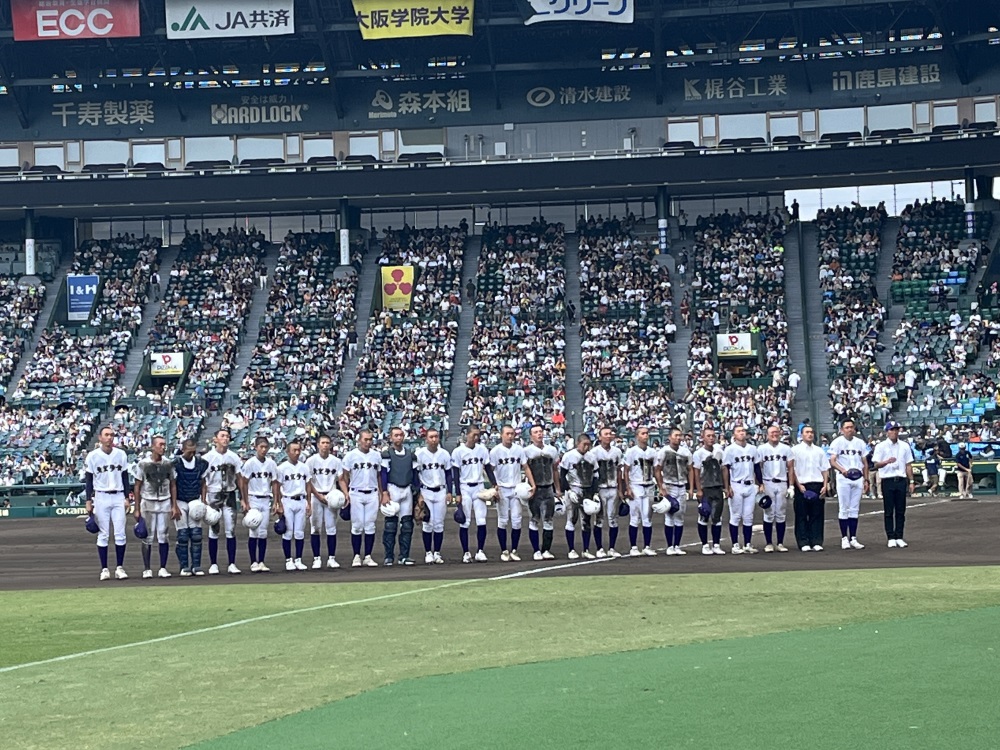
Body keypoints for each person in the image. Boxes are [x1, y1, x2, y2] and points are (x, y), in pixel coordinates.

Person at [85, 426, 131, 581]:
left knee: (120, 533)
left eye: (112, 435)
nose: (110, 438)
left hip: (118, 496)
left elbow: (125, 477)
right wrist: (88, 500)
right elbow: (89, 480)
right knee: (103, 534)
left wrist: (127, 497)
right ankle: (104, 569)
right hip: (101, 496)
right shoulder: (93, 456)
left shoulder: (121, 454)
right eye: (106, 435)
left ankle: (119, 567)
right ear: (100, 437)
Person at [132, 435, 179, 579]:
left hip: (164, 501)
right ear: (153, 446)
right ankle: (147, 568)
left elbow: (173, 484)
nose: (163, 447)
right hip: (148, 501)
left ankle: (162, 567)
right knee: (148, 536)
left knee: (163, 535)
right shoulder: (143, 464)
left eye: (164, 444)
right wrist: (137, 507)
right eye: (160, 445)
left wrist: (174, 505)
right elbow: (137, 486)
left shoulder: (168, 463)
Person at [201, 429, 244, 575]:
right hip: (213, 496)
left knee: (230, 530)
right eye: (222, 436)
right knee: (214, 530)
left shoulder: (234, 457)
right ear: (215, 439)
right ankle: (213, 564)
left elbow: (240, 479)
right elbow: (203, 481)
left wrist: (244, 499)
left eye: (227, 436)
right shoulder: (207, 458)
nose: (225, 438)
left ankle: (232, 563)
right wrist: (203, 500)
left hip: (230, 495)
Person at [340, 429, 382, 567]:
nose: (368, 442)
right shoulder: (350, 456)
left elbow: (379, 475)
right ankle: (356, 556)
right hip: (356, 493)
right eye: (365, 439)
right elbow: (344, 476)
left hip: (372, 493)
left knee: (370, 526)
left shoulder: (376, 455)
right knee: (357, 526)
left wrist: (382, 493)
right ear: (359, 440)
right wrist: (346, 493)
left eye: (370, 439)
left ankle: (368, 556)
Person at [451, 427, 494, 563]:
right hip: (465, 488)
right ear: (467, 435)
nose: (476, 437)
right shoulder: (458, 451)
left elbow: (487, 468)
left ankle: (480, 551)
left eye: (478, 435)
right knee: (465, 521)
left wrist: (494, 484)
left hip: (479, 487)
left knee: (481, 520)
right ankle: (466, 553)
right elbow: (456, 473)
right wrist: (457, 493)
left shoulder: (482, 449)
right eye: (474, 435)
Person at [488, 424, 528, 561]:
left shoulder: (519, 450)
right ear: (501, 435)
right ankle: (504, 550)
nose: (510, 436)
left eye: (512, 433)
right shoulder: (495, 451)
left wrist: (531, 484)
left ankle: (514, 550)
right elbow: (490, 470)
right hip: (502, 489)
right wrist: (494, 487)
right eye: (507, 434)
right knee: (503, 520)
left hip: (516, 488)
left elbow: (525, 466)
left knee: (517, 520)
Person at [240, 435, 279, 573]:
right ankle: (253, 562)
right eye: (261, 447)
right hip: (253, 498)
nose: (263, 450)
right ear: (255, 447)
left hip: (265, 499)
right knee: (253, 530)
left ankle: (261, 561)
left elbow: (275, 482)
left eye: (265, 447)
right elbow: (243, 482)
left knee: (263, 532)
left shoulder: (271, 463)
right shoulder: (250, 463)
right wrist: (245, 501)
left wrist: (276, 501)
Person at [828, 419, 869, 550]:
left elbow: (865, 462)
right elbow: (832, 460)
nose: (849, 429)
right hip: (844, 477)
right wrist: (843, 470)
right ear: (842, 429)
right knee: (844, 508)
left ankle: (853, 537)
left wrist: (866, 479)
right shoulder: (837, 442)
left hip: (857, 478)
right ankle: (844, 538)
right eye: (847, 427)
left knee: (854, 509)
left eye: (851, 427)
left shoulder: (860, 443)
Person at [872, 422, 914, 547]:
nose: (894, 432)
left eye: (896, 430)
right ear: (887, 432)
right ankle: (890, 536)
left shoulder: (905, 446)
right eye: (892, 430)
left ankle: (899, 536)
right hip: (888, 479)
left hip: (900, 479)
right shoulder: (881, 446)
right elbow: (876, 464)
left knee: (901, 510)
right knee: (889, 510)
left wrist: (911, 481)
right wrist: (886, 462)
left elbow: (908, 464)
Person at [414, 428, 453, 564]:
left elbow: (448, 473)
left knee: (439, 524)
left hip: (441, 491)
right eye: (431, 437)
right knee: (427, 523)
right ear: (426, 439)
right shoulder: (420, 454)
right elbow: (415, 475)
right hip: (426, 491)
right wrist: (419, 494)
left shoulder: (444, 454)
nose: (434, 439)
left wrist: (449, 492)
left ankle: (437, 552)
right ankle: (428, 553)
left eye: (436, 437)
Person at [380, 427, 418, 566]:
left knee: (407, 524)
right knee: (390, 524)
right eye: (396, 435)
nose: (399, 438)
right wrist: (384, 492)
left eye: (401, 435)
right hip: (392, 488)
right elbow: (383, 474)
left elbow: (415, 476)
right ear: (391, 437)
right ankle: (389, 556)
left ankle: (404, 556)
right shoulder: (387, 454)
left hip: (407, 489)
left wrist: (417, 494)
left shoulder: (411, 455)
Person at [558, 433, 599, 559]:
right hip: (573, 489)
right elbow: (562, 475)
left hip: (587, 490)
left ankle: (585, 549)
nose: (586, 447)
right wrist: (568, 490)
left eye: (588, 444)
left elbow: (596, 475)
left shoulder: (591, 457)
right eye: (584, 444)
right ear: (578, 443)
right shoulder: (569, 456)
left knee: (586, 520)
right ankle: (571, 549)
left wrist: (595, 492)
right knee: (572, 518)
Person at [524, 424, 561, 561]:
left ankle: (546, 549)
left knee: (549, 519)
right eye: (536, 432)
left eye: (541, 431)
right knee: (534, 518)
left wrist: (558, 489)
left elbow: (555, 470)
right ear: (531, 435)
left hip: (548, 488)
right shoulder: (527, 451)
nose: (539, 434)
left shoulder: (552, 450)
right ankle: (536, 550)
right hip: (535, 489)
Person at [790, 425, 830, 552]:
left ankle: (816, 541)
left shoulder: (819, 451)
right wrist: (798, 484)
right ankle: (803, 541)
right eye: (807, 432)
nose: (810, 434)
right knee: (801, 515)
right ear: (801, 435)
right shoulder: (795, 450)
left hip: (817, 484)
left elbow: (825, 469)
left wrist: (825, 484)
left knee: (817, 514)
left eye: (812, 432)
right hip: (802, 485)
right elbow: (792, 469)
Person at [654, 427, 693, 556]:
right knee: (670, 515)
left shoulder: (685, 452)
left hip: (681, 485)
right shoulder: (663, 451)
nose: (678, 437)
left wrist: (691, 487)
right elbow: (657, 469)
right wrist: (661, 486)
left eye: (680, 435)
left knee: (680, 515)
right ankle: (670, 546)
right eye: (676, 435)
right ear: (670, 437)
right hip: (669, 485)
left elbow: (690, 469)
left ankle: (677, 545)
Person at [722, 424, 760, 554]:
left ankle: (748, 544)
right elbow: (725, 469)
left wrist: (760, 483)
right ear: (734, 435)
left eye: (743, 430)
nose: (742, 433)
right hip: (736, 484)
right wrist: (727, 487)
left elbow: (756, 467)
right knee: (736, 516)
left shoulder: (753, 449)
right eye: (739, 431)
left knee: (749, 517)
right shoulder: (729, 450)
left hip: (750, 485)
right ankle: (735, 545)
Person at [306, 434, 342, 570]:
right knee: (315, 528)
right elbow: (308, 481)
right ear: (318, 444)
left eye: (327, 442)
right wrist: (317, 495)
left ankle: (331, 558)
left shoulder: (336, 461)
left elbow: (341, 479)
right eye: (323, 442)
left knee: (331, 528)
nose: (325, 445)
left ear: (331, 445)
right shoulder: (311, 461)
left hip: (331, 497)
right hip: (316, 496)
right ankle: (317, 558)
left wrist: (342, 495)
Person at [173, 439, 208, 576]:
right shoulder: (176, 464)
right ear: (183, 450)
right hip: (180, 501)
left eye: (194, 451)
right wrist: (174, 505)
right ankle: (184, 566)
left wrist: (203, 501)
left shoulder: (201, 464)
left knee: (196, 534)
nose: (191, 454)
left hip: (195, 500)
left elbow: (203, 483)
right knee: (182, 535)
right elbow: (173, 484)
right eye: (189, 451)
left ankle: (196, 565)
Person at [622, 426, 658, 557]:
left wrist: (659, 486)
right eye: (643, 433)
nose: (646, 436)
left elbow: (656, 470)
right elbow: (626, 470)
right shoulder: (631, 452)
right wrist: (628, 488)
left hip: (648, 485)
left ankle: (647, 546)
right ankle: (633, 546)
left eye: (647, 433)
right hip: (636, 485)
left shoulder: (652, 452)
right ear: (637, 436)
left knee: (647, 517)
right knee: (635, 517)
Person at [756, 425, 792, 552]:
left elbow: (791, 467)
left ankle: (780, 543)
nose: (774, 434)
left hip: (782, 482)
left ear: (780, 433)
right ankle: (769, 543)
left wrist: (791, 485)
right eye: (772, 432)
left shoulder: (786, 448)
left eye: (776, 432)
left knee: (781, 514)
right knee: (769, 513)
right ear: (767, 434)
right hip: (768, 482)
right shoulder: (762, 449)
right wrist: (759, 484)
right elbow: (758, 467)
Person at [276, 439, 310, 571]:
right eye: (294, 450)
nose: (297, 453)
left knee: (300, 532)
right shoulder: (281, 468)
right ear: (287, 452)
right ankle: (288, 560)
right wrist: (278, 504)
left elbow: (308, 485)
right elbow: (277, 487)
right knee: (288, 532)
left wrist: (309, 503)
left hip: (301, 500)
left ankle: (299, 559)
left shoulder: (304, 467)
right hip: (287, 500)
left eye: (298, 450)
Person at [589, 426, 623, 558]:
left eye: (610, 434)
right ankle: (599, 548)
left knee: (613, 518)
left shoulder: (617, 452)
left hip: (613, 487)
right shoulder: (594, 452)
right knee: (599, 519)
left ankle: (612, 548)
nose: (608, 436)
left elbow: (619, 471)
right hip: (600, 489)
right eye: (606, 434)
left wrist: (621, 490)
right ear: (600, 437)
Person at [692, 427, 726, 555]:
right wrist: (698, 489)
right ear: (703, 437)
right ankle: (705, 544)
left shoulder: (719, 452)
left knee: (717, 517)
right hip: (705, 488)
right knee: (704, 514)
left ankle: (716, 544)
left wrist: (726, 487)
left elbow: (723, 469)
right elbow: (696, 472)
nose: (711, 438)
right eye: (708, 436)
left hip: (717, 487)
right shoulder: (698, 454)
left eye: (713, 436)